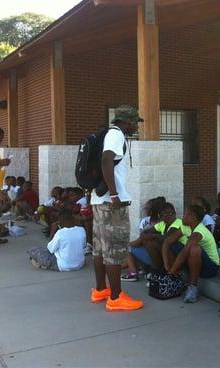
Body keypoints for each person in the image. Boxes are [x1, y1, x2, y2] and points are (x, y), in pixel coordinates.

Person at [89, 105, 144, 312]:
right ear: (127, 122)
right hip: (111, 203)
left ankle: (101, 290)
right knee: (113, 250)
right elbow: (106, 160)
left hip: (99, 201)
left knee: (100, 249)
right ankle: (115, 297)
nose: (136, 127)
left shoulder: (108, 134)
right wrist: (114, 194)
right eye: (135, 123)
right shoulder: (116, 135)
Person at [166, 204, 220, 303]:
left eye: (186, 214)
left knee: (194, 248)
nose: (182, 216)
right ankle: (175, 276)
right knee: (172, 244)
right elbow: (167, 241)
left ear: (193, 217)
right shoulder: (185, 227)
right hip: (197, 262)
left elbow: (185, 251)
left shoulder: (199, 231)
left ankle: (193, 288)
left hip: (211, 267)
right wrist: (167, 267)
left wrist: (171, 273)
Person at [123, 203, 185, 280]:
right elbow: (144, 233)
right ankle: (155, 272)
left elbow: (166, 239)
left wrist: (153, 236)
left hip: (178, 253)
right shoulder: (162, 224)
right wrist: (150, 236)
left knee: (151, 243)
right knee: (147, 242)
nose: (166, 216)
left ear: (174, 214)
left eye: (170, 213)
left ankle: (156, 272)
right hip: (164, 253)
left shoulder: (178, 222)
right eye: (162, 214)